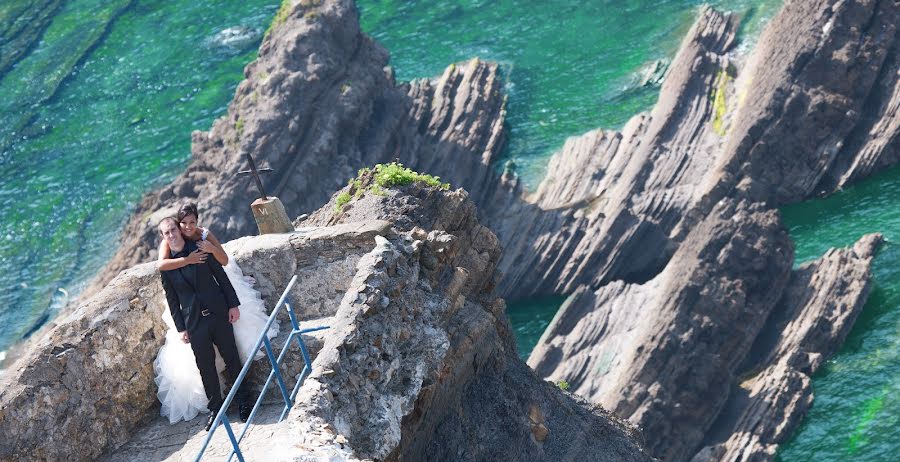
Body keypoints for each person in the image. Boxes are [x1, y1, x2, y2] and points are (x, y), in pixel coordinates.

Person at [153, 204, 278, 427]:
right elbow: (172, 300)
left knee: (232, 358)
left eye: (174, 229)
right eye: (167, 232)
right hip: (193, 322)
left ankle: (244, 401)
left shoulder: (201, 248)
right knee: (205, 366)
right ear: (163, 236)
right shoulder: (168, 267)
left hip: (219, 312)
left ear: (179, 230)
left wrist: (233, 305)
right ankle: (216, 409)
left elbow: (221, 276)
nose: (172, 234)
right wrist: (181, 328)